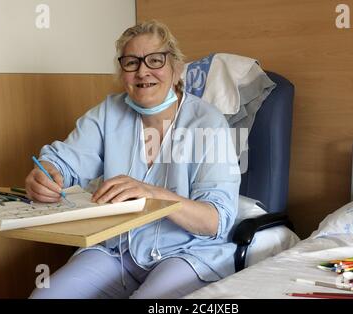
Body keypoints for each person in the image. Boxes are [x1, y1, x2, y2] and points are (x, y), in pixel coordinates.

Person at [27, 20, 240, 299]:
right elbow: (65, 163)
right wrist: (46, 174)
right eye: (131, 62)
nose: (143, 71)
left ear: (175, 69)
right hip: (117, 249)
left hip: (188, 252)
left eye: (155, 60)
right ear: (122, 71)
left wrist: (152, 193)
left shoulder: (208, 123)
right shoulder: (107, 114)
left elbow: (215, 220)